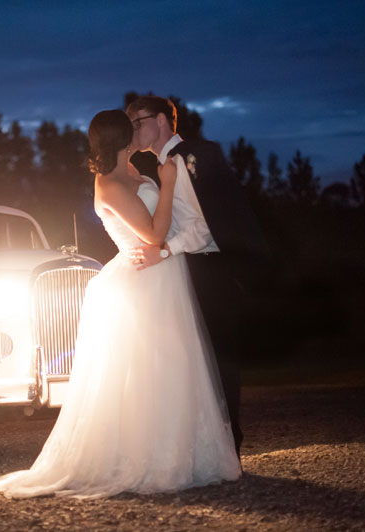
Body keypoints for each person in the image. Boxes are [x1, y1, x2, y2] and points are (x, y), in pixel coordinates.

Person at [0, 110, 241, 499]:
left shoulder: (133, 171)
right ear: (123, 139)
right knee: (145, 373)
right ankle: (150, 459)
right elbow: (155, 235)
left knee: (175, 366)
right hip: (141, 279)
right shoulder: (108, 184)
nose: (137, 131)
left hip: (164, 276)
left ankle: (187, 454)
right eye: (132, 128)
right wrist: (169, 185)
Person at [125, 95, 271, 457]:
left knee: (218, 360)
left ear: (161, 120)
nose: (133, 131)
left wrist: (164, 252)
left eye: (137, 122)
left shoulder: (187, 159)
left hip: (212, 269)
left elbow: (205, 227)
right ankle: (207, 446)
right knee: (196, 362)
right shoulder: (165, 165)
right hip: (190, 269)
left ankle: (228, 445)